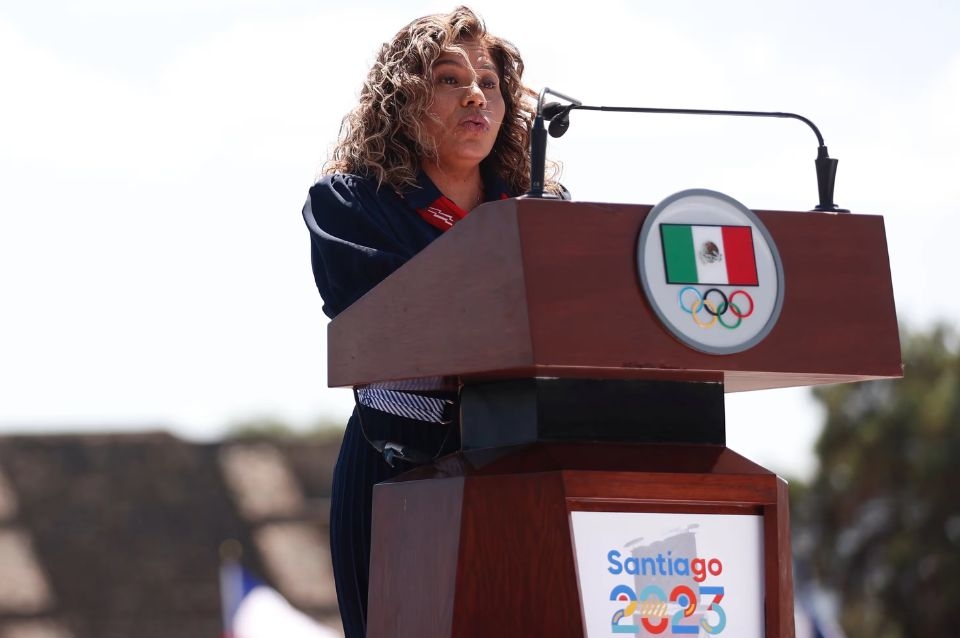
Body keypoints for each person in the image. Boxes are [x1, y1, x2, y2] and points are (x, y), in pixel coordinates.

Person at [301, 6, 561, 636]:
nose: (476, 95)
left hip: (529, 470)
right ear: (402, 101)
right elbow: (387, 317)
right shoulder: (351, 204)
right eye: (449, 79)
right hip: (400, 468)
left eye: (490, 83)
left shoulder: (543, 214)